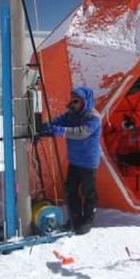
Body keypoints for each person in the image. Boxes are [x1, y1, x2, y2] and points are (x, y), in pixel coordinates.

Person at [41, 86, 101, 235]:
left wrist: (61, 131)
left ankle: (87, 221)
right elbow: (59, 121)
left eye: (77, 100)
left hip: (88, 161)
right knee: (71, 191)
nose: (73, 103)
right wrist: (49, 127)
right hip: (75, 160)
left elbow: (81, 133)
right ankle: (75, 220)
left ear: (85, 101)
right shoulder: (71, 114)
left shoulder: (93, 117)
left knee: (88, 192)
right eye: (73, 99)